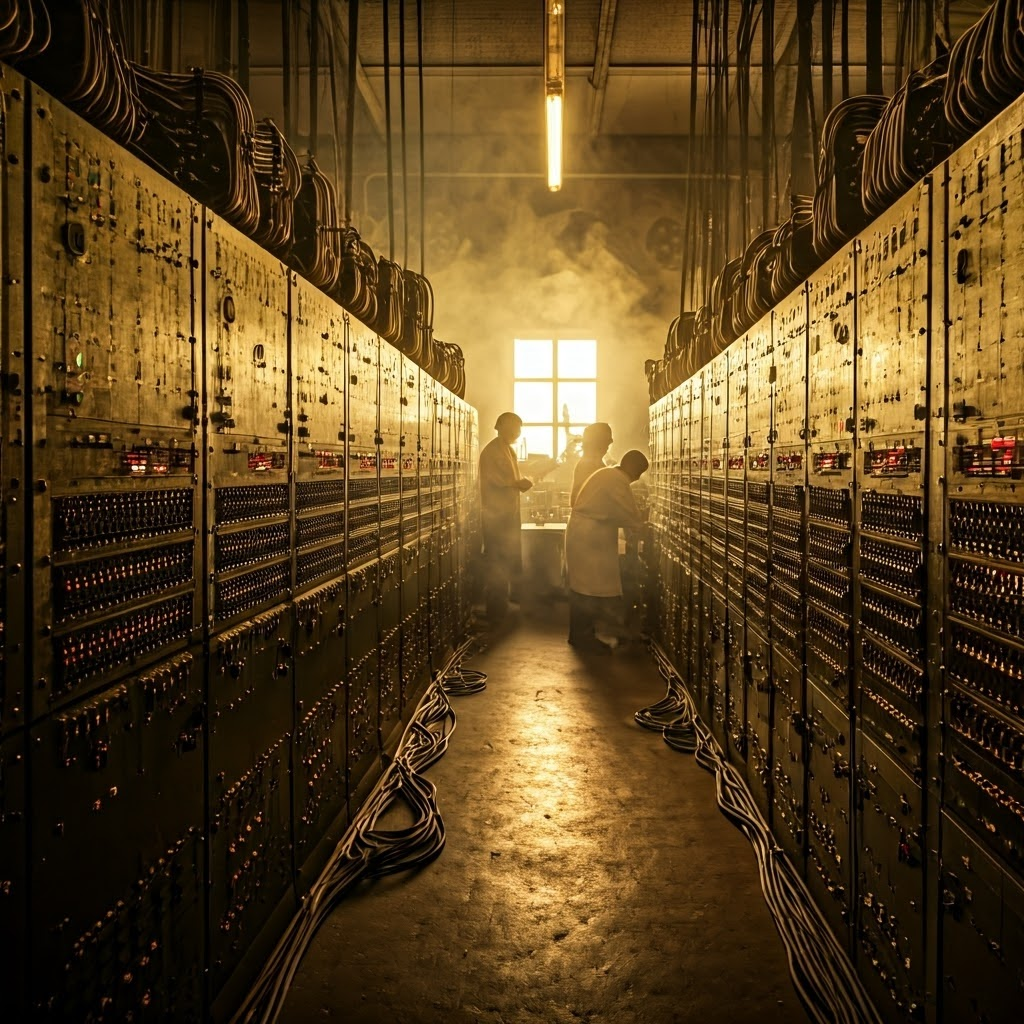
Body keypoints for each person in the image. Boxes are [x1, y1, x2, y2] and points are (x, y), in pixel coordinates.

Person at [564, 449, 649, 652]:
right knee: (587, 590)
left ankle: (583, 633)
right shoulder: (617, 479)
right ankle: (582, 637)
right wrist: (642, 525)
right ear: (633, 468)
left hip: (589, 535)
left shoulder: (608, 474)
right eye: (637, 474)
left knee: (585, 588)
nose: (636, 478)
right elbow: (629, 513)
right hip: (589, 537)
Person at [479, 412, 533, 621]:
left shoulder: (508, 450)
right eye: (515, 428)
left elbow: (510, 480)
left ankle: (502, 604)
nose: (517, 433)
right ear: (502, 426)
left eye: (519, 429)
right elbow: (498, 482)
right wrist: (519, 483)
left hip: (507, 516)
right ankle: (495, 610)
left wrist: (521, 482)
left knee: (506, 560)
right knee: (496, 562)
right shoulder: (492, 451)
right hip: (496, 518)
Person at [570, 422, 614, 506]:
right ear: (597, 444)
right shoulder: (587, 466)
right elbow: (575, 501)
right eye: (605, 443)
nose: (607, 448)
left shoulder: (596, 464)